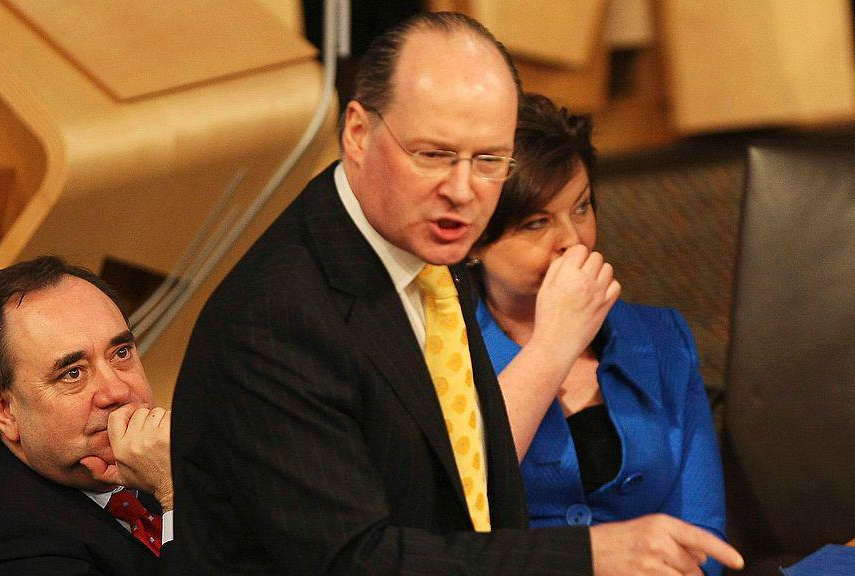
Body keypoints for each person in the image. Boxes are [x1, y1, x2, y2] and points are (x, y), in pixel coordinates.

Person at [172, 11, 743, 576]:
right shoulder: (278, 319)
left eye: (489, 160)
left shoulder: (420, 248)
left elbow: (459, 504)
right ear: (358, 132)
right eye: (434, 156)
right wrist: (591, 555)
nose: (463, 191)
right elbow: (356, 561)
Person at [469, 93, 728, 575]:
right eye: (537, 222)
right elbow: (453, 512)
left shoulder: (661, 337)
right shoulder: (440, 357)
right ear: (473, 240)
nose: (573, 239)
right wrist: (556, 341)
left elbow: (703, 535)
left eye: (582, 208)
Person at [0, 256, 174, 575]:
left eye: (121, 353)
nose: (116, 391)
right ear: (4, 409)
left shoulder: (157, 454)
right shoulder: (0, 544)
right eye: (73, 373)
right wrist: (174, 495)